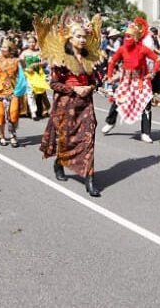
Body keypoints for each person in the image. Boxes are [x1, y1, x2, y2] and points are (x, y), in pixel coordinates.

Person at [37, 14, 105, 197]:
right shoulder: (60, 58)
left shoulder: (89, 57)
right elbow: (54, 84)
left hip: (86, 103)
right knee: (67, 140)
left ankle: (89, 179)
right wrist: (74, 89)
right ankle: (60, 162)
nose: (82, 40)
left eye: (84, 36)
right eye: (79, 36)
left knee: (88, 139)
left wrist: (89, 87)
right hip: (66, 105)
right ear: (70, 38)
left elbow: (94, 81)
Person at [101, 17, 160, 143]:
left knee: (146, 104)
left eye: (129, 36)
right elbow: (112, 61)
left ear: (135, 37)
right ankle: (110, 122)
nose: (126, 38)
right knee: (118, 100)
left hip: (141, 80)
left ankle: (145, 132)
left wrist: (153, 73)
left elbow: (158, 59)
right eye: (125, 36)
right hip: (126, 80)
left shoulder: (143, 49)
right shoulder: (122, 49)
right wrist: (110, 76)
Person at [20, 35, 50, 120]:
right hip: (29, 75)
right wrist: (26, 69)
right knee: (30, 93)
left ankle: (43, 110)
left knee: (41, 92)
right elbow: (21, 64)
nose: (31, 44)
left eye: (33, 42)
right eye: (29, 42)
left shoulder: (39, 52)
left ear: (36, 43)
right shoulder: (24, 53)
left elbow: (44, 62)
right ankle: (33, 112)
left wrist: (37, 64)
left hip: (38, 75)